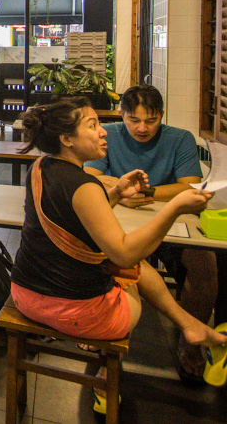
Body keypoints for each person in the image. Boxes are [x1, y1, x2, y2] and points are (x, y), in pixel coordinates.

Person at [10, 98, 225, 413]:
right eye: (93, 126)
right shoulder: (84, 185)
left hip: (25, 296)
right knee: (133, 269)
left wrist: (113, 194)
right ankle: (172, 332)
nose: (103, 133)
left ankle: (189, 324)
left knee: (126, 267)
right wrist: (176, 205)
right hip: (80, 313)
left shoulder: (40, 168)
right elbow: (123, 253)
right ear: (66, 139)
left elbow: (79, 218)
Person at [84, 85, 213, 381]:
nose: (142, 128)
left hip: (171, 225)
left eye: (151, 120)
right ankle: (101, 335)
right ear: (122, 115)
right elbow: (91, 175)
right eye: (134, 120)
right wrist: (122, 190)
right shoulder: (108, 133)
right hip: (122, 225)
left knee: (206, 268)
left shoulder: (179, 139)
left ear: (162, 116)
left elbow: (190, 185)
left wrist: (148, 192)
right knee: (107, 260)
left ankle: (188, 343)